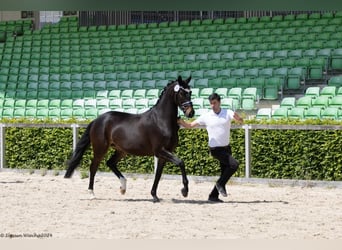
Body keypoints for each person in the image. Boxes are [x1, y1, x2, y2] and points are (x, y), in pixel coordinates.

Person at [177, 93, 243, 202]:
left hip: (226, 148)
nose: (213, 105)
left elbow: (240, 120)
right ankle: (220, 184)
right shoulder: (206, 116)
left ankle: (213, 196)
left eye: (215, 103)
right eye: (211, 103)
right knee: (234, 165)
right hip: (215, 150)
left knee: (224, 174)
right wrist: (180, 121)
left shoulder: (227, 112)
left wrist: (239, 118)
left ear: (219, 102)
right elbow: (190, 126)